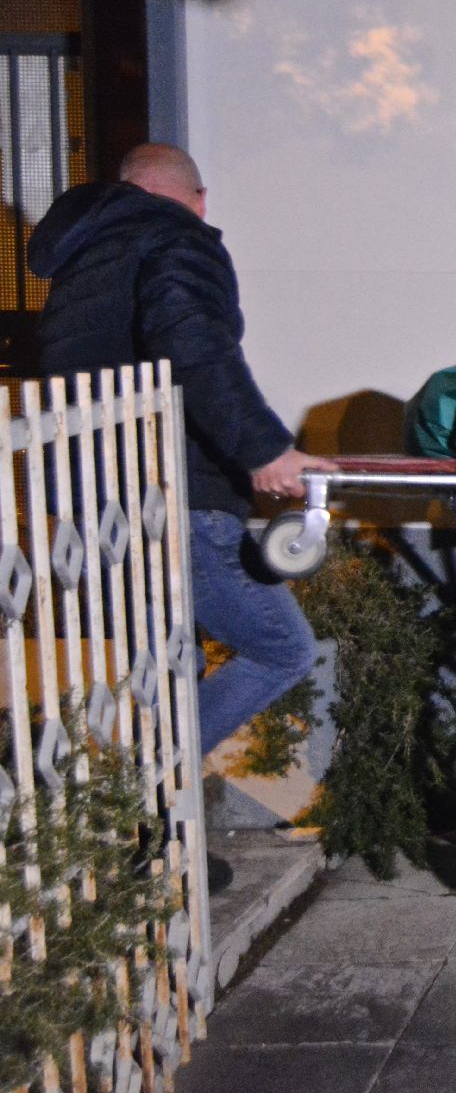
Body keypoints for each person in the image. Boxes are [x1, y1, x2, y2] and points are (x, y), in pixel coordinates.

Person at [28, 143, 336, 772]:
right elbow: (194, 346)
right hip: (170, 493)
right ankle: (149, 775)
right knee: (281, 650)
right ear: (199, 200)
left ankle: (155, 815)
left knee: (172, 664)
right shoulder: (175, 236)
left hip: (96, 505)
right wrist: (266, 450)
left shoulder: (85, 259)